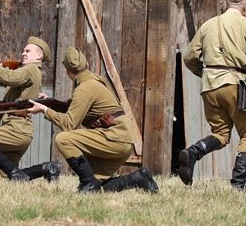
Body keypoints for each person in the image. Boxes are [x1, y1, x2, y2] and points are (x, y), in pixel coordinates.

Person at [179, 0, 246, 191]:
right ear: (245, 7)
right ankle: (239, 184)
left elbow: (189, 57)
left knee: (221, 133)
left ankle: (193, 152)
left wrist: (204, 74)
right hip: (236, 85)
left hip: (209, 86)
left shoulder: (207, 25)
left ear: (225, 4)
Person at [27, 47, 158, 193]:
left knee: (63, 139)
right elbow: (74, 107)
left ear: (66, 71)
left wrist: (44, 109)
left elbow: (68, 124)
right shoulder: (94, 81)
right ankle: (139, 178)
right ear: (87, 64)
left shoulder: (85, 88)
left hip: (114, 139)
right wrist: (49, 102)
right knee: (99, 188)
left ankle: (87, 183)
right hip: (121, 140)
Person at [0, 37, 59, 182]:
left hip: (16, 128)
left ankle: (18, 172)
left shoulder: (30, 69)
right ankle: (45, 168)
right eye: (24, 51)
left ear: (39, 55)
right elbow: (9, 80)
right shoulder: (28, 72)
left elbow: (11, 77)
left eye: (27, 51)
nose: (23, 53)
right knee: (2, 181)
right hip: (17, 128)